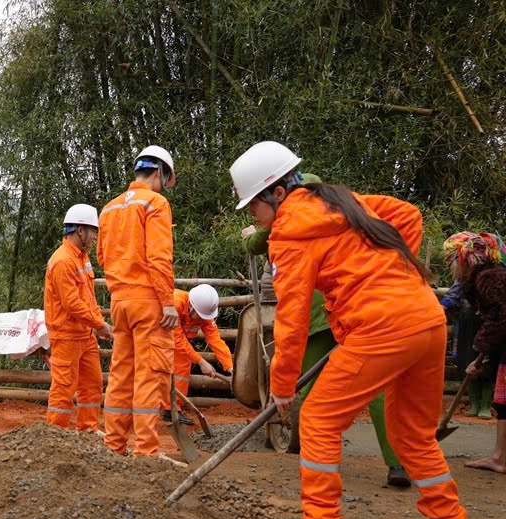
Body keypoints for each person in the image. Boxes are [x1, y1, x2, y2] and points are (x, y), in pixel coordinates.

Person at [230, 141, 477, 519]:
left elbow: (291, 316)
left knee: (320, 419)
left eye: (252, 205)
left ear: (276, 192)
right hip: (427, 320)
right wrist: (396, 271)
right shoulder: (344, 201)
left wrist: (283, 385)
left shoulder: (289, 233)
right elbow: (409, 217)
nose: (252, 216)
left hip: (380, 327)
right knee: (413, 433)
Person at [241, 173, 411, 489]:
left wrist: (249, 233)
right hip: (354, 312)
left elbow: (254, 245)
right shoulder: (342, 211)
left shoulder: (288, 226)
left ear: (282, 195)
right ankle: (397, 462)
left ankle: (311, 456)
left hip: (317, 315)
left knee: (306, 389)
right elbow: (407, 215)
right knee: (377, 389)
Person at [98, 145, 177, 457]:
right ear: (158, 172)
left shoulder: (109, 208)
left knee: (120, 375)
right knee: (148, 376)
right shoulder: (155, 203)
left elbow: (103, 256)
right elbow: (159, 258)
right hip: (148, 302)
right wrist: (167, 301)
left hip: (119, 302)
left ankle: (114, 446)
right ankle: (146, 453)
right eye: (165, 180)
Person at [44, 204, 112, 431]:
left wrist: (97, 324)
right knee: (63, 389)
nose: (94, 236)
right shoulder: (63, 260)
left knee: (92, 386)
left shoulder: (82, 258)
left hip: (85, 334)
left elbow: (88, 298)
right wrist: (100, 324)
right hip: (65, 336)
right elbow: (72, 304)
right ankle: (56, 435)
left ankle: (87, 431)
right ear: (80, 230)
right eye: (93, 231)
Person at [444, 231, 506, 474]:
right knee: (502, 401)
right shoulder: (483, 279)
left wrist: (479, 352)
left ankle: (501, 457)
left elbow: (501, 318)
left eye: (452, 260)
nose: (451, 267)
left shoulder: (490, 278)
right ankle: (500, 457)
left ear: (465, 260)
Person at [162, 286, 232, 425]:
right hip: (155, 334)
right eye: (200, 316)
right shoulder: (175, 303)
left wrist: (230, 367)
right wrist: (201, 362)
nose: (202, 320)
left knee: (183, 362)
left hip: (173, 340)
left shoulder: (205, 313)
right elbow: (177, 339)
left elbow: (215, 340)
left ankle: (172, 410)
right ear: (191, 306)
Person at [441, 279, 496, 420]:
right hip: (467, 324)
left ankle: (485, 405)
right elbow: (451, 297)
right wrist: (442, 307)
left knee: (487, 363)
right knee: (466, 361)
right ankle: (474, 404)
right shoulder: (464, 277)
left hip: (488, 324)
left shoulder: (495, 273)